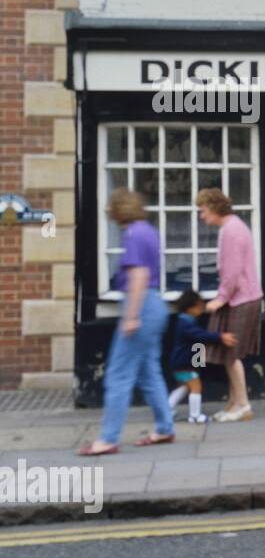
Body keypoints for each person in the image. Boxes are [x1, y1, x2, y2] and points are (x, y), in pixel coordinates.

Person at [77, 189, 174, 455]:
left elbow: (139, 276)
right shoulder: (149, 231)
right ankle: (165, 427)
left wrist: (131, 317)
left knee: (118, 375)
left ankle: (108, 438)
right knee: (149, 372)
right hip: (156, 305)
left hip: (140, 306)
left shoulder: (132, 234)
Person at [196, 187, 264, 423]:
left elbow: (232, 271)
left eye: (203, 210)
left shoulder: (230, 231)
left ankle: (243, 405)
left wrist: (220, 299)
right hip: (244, 298)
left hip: (240, 300)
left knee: (232, 355)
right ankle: (234, 403)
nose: (201, 216)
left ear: (214, 208)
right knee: (229, 354)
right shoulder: (234, 226)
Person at [166, 290, 237, 425]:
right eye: (199, 307)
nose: (201, 309)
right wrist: (220, 337)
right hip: (184, 363)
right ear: (190, 308)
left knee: (185, 387)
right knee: (196, 387)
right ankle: (195, 415)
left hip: (182, 363)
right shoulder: (186, 324)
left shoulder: (184, 321)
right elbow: (200, 336)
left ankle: (167, 409)